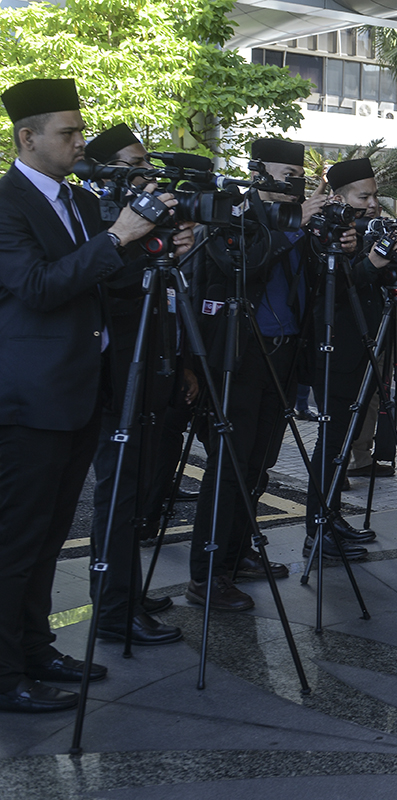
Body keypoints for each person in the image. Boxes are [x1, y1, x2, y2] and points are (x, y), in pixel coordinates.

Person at [0, 78, 167, 712]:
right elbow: (39, 287)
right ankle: (5, 672)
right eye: (66, 133)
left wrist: (156, 244)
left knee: (47, 538)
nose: (78, 141)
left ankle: (37, 648)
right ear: (28, 137)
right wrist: (116, 238)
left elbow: (99, 283)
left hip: (77, 391)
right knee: (16, 542)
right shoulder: (8, 203)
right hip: (29, 401)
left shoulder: (74, 199)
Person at [187, 137, 340, 613]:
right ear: (258, 172)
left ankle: (237, 555)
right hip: (241, 354)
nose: (296, 187)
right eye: (287, 177)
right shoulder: (235, 212)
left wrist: (326, 241)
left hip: (285, 355)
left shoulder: (297, 221)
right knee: (229, 467)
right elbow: (243, 264)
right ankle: (207, 576)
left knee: (258, 465)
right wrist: (299, 229)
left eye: (300, 179)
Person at [82, 123, 195, 647]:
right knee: (119, 493)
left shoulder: (151, 217)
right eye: (132, 165)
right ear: (105, 173)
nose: (145, 173)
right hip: (116, 375)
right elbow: (107, 287)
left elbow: (167, 293)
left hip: (155, 366)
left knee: (139, 488)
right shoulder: (97, 218)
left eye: (146, 163)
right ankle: (113, 608)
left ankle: (128, 590)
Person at [304, 157, 397, 552]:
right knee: (331, 442)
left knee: (341, 442)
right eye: (364, 196)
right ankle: (319, 526)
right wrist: (373, 262)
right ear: (337, 197)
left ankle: (330, 517)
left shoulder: (360, 229)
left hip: (365, 346)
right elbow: (332, 289)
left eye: (375, 195)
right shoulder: (321, 232)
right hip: (334, 349)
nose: (373, 203)